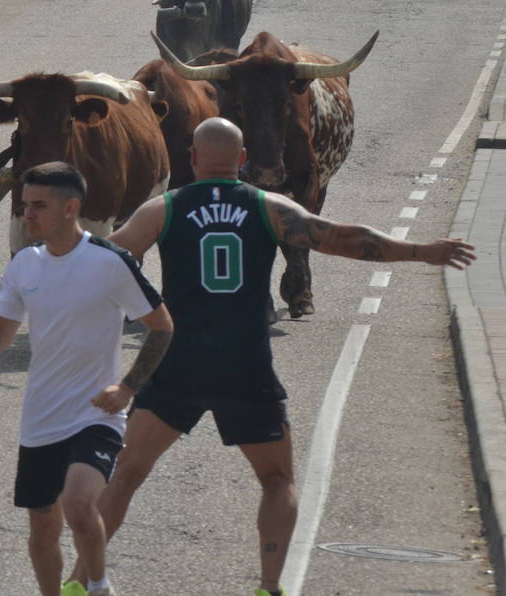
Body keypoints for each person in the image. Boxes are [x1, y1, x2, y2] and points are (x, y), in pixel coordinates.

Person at [69, 118, 474, 596]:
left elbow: (110, 258)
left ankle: (80, 582)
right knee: (277, 478)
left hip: (177, 363)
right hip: (246, 365)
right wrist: (420, 251)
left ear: (193, 159)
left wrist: (38, 278)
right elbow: (343, 237)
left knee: (128, 474)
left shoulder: (164, 209)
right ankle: (268, 586)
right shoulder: (267, 206)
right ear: (241, 160)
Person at [0, 162, 172, 596]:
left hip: (95, 417)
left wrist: (126, 388)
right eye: (26, 205)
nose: (27, 215)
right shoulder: (25, 265)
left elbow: (161, 326)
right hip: (41, 420)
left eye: (38, 206)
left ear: (71, 208)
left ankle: (98, 586)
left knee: (80, 503)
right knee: (42, 534)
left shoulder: (110, 262)